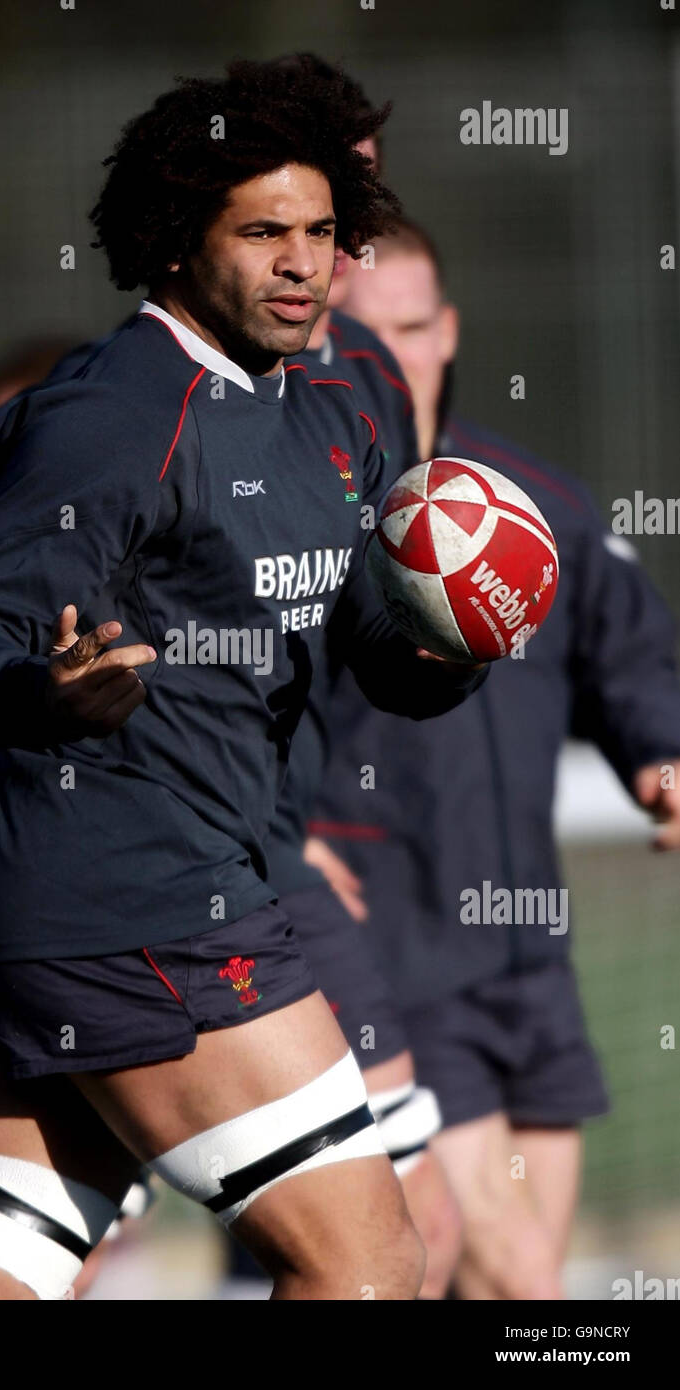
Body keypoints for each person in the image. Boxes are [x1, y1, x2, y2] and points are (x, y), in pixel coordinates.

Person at [0, 61, 487, 1303]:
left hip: (75, 916)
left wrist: (440, 652)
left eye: (321, 233)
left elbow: (367, 649)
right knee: (369, 1264)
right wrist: (44, 691)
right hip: (139, 901)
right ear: (176, 243)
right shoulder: (119, 409)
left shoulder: (333, 404)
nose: (301, 263)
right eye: (262, 232)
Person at [308, 217, 680, 1298]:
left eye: (413, 327)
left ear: (449, 329)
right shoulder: (304, 519)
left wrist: (664, 762)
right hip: (398, 953)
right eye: (362, 331)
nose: (392, 355)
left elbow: (633, 662)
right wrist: (285, 845)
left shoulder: (534, 508)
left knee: (508, 1277)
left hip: (532, 957)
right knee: (514, 1272)